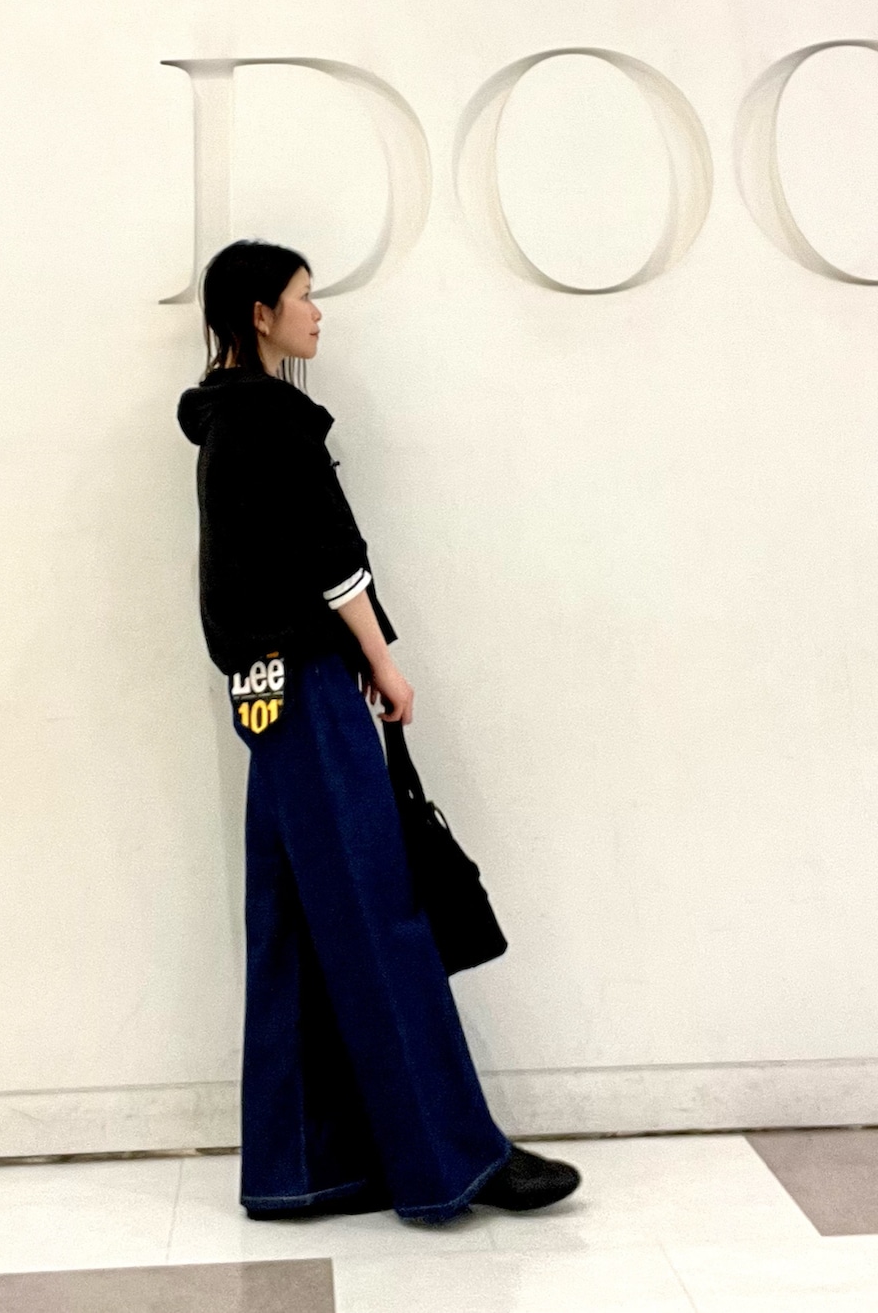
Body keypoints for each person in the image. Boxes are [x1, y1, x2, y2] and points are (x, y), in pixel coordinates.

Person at [177, 238, 582, 1225]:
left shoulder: (222, 423)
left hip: (262, 695)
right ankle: (454, 1161)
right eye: (303, 297)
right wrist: (384, 663)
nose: (318, 314)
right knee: (377, 915)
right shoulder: (271, 418)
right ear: (260, 314)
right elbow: (332, 556)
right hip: (311, 687)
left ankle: (303, 1166)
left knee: (294, 926)